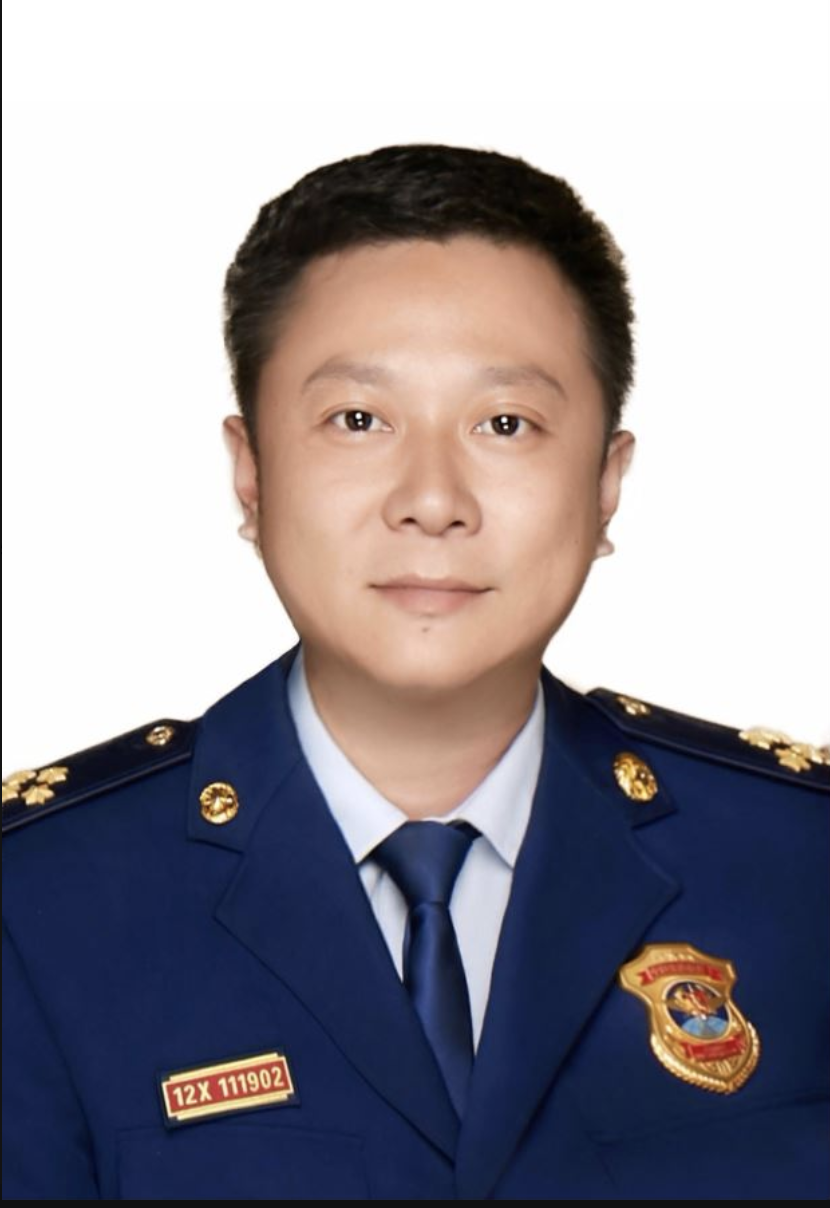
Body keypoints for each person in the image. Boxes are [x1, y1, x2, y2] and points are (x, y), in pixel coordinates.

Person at [2, 143, 828, 1201]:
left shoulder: (797, 861)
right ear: (250, 474)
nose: (432, 500)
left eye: (504, 424)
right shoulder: (39, 902)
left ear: (604, 484)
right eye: (358, 420)